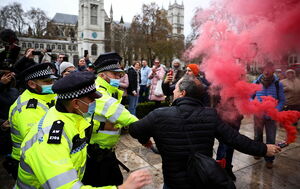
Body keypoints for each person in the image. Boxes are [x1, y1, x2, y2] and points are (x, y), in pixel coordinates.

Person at [128, 75, 281, 189]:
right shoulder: (210, 115)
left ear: (182, 93)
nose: (173, 92)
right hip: (201, 179)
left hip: (173, 182)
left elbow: (134, 129)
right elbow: (235, 139)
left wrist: (145, 139)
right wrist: (264, 149)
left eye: (175, 89)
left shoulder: (159, 114)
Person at [15, 71, 152, 189]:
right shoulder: (50, 139)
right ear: (75, 103)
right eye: (92, 99)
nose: (95, 103)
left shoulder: (72, 116)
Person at [82, 52, 152, 186]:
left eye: (120, 74)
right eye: (115, 74)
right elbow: (124, 116)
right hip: (95, 153)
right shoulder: (97, 92)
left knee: (116, 180)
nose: (119, 77)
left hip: (107, 150)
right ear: (102, 75)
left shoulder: (110, 89)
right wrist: (145, 134)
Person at [6, 63, 57, 179]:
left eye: (52, 80)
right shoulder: (27, 108)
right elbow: (37, 141)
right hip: (28, 161)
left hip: (42, 159)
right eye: (47, 81)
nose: (52, 84)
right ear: (32, 84)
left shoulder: (47, 95)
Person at [252, 62, 285, 169]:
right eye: (264, 69)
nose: (266, 71)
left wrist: (275, 111)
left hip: (271, 117)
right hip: (258, 116)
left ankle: (269, 159)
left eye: (269, 69)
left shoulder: (277, 83)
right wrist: (254, 105)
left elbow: (282, 100)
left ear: (273, 71)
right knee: (258, 136)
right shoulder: (256, 82)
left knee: (271, 138)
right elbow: (250, 97)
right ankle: (258, 152)